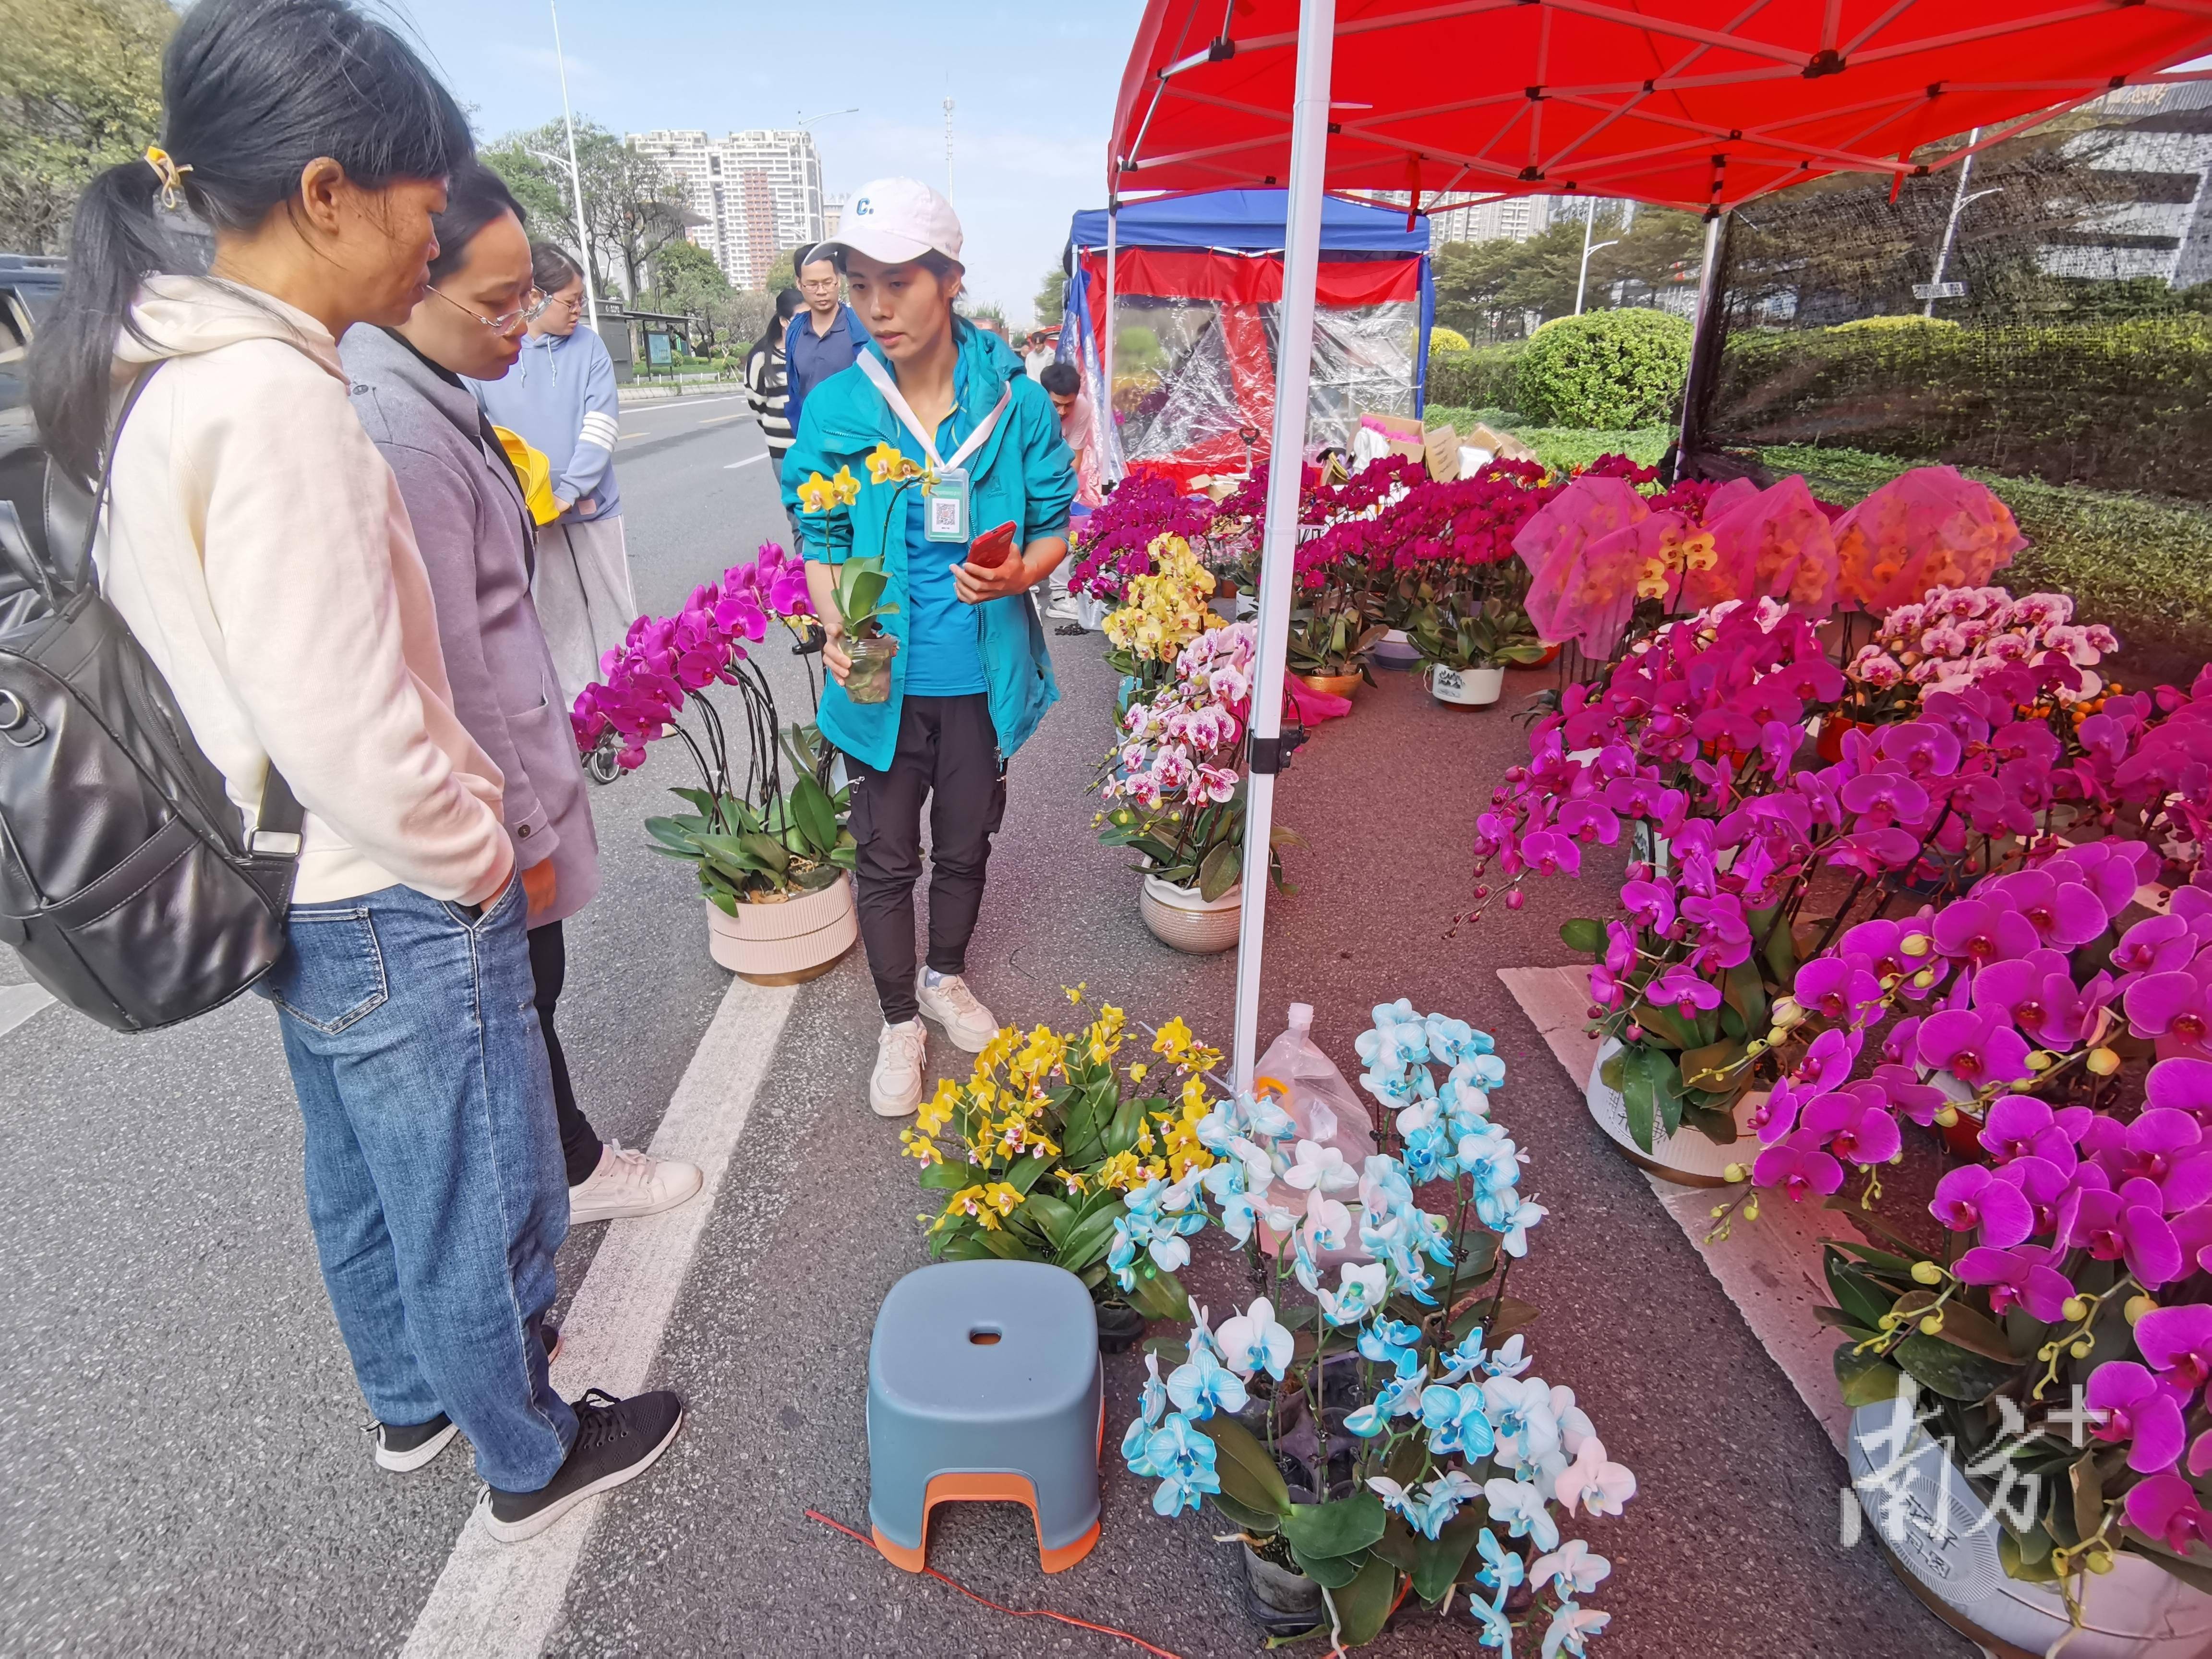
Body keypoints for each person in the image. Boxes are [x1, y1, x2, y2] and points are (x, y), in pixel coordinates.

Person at [27, 0, 680, 1541]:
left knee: (359, 1169)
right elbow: (345, 709)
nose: (428, 236)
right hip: (376, 877)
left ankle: (406, 1402)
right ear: (326, 193)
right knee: (465, 1187)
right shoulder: (277, 399)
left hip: (271, 865)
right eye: (418, 201)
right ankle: (528, 1451)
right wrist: (463, 851)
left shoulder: (156, 377)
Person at [340, 163, 705, 1230]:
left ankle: (561, 1175)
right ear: (415, 273)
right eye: (499, 302)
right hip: (477, 814)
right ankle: (570, 1181)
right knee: (507, 1013)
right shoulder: (403, 430)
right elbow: (455, 668)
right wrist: (523, 830)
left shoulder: (434, 393)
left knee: (516, 1011)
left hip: (481, 799)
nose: (523, 326)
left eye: (526, 299)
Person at [780, 177, 1075, 1118]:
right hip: (879, 683)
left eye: (899, 282)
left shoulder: (1017, 407)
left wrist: (1019, 575)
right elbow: (820, 539)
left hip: (979, 681)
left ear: (951, 281)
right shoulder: (837, 410)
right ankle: (899, 1018)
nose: (874, 306)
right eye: (859, 282)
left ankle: (946, 977)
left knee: (964, 844)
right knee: (883, 859)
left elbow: (1058, 528)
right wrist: (833, 622)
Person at [472, 242, 636, 710]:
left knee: (614, 609)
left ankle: (628, 705)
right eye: (571, 301)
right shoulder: (496, 349)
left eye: (581, 299)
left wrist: (569, 491)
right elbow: (478, 427)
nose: (579, 311)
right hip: (531, 513)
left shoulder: (589, 346)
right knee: (557, 615)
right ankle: (578, 710)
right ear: (534, 297)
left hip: (591, 505)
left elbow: (601, 422)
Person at [781, 244, 866, 454]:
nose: (821, 291)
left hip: (857, 445)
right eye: (812, 284)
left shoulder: (861, 328)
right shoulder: (795, 330)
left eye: (827, 282)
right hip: (812, 444)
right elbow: (795, 388)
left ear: (839, 280)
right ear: (799, 284)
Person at [1039, 361, 1100, 621]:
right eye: (1056, 404)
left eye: (1069, 404)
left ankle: (1060, 595)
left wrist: (1062, 491)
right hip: (1026, 468)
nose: (1063, 412)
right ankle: (1021, 589)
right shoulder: (1028, 406)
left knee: (1061, 527)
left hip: (1057, 469)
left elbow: (1075, 458)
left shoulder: (1083, 408)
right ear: (1043, 395)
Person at [746, 286, 802, 542]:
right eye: (799, 319)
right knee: (800, 521)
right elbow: (757, 405)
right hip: (783, 454)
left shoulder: (810, 351)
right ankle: (804, 578)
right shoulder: (761, 357)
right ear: (783, 321)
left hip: (816, 449)